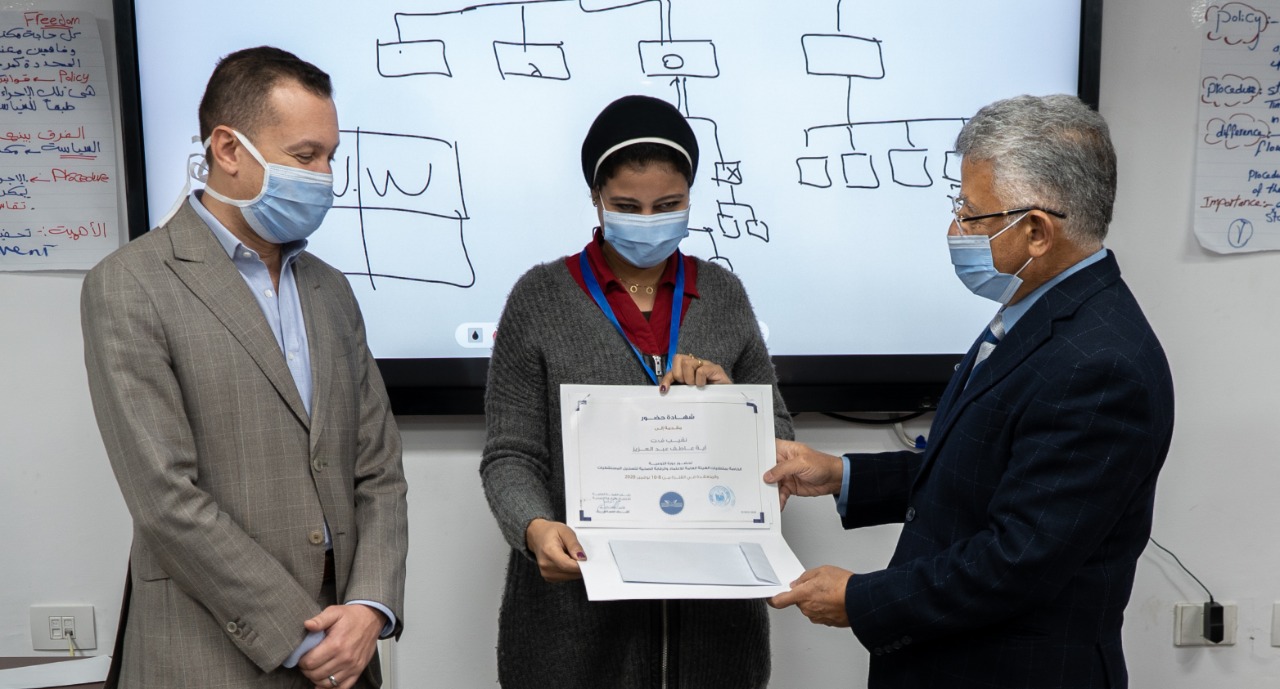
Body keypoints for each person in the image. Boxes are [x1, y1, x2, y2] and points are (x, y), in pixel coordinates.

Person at [764, 94, 1174, 689]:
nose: (955, 228)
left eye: (971, 213)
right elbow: (981, 471)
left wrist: (860, 598)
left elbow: (1017, 560)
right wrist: (840, 474)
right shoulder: (1040, 311)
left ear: (1036, 231)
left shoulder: (1099, 364)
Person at [81, 47, 408, 689]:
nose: (326, 177)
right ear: (229, 150)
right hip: (206, 653)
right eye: (305, 156)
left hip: (348, 653)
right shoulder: (130, 284)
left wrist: (370, 608)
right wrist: (298, 635)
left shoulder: (331, 290)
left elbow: (378, 468)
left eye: (331, 157)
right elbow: (165, 498)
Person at [480, 94, 794, 688]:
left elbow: (779, 440)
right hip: (573, 628)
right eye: (627, 206)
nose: (648, 220)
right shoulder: (539, 298)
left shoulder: (723, 294)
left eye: (668, 205)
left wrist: (731, 407)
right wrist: (533, 526)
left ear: (690, 197)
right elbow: (510, 453)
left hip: (713, 632)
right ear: (596, 198)